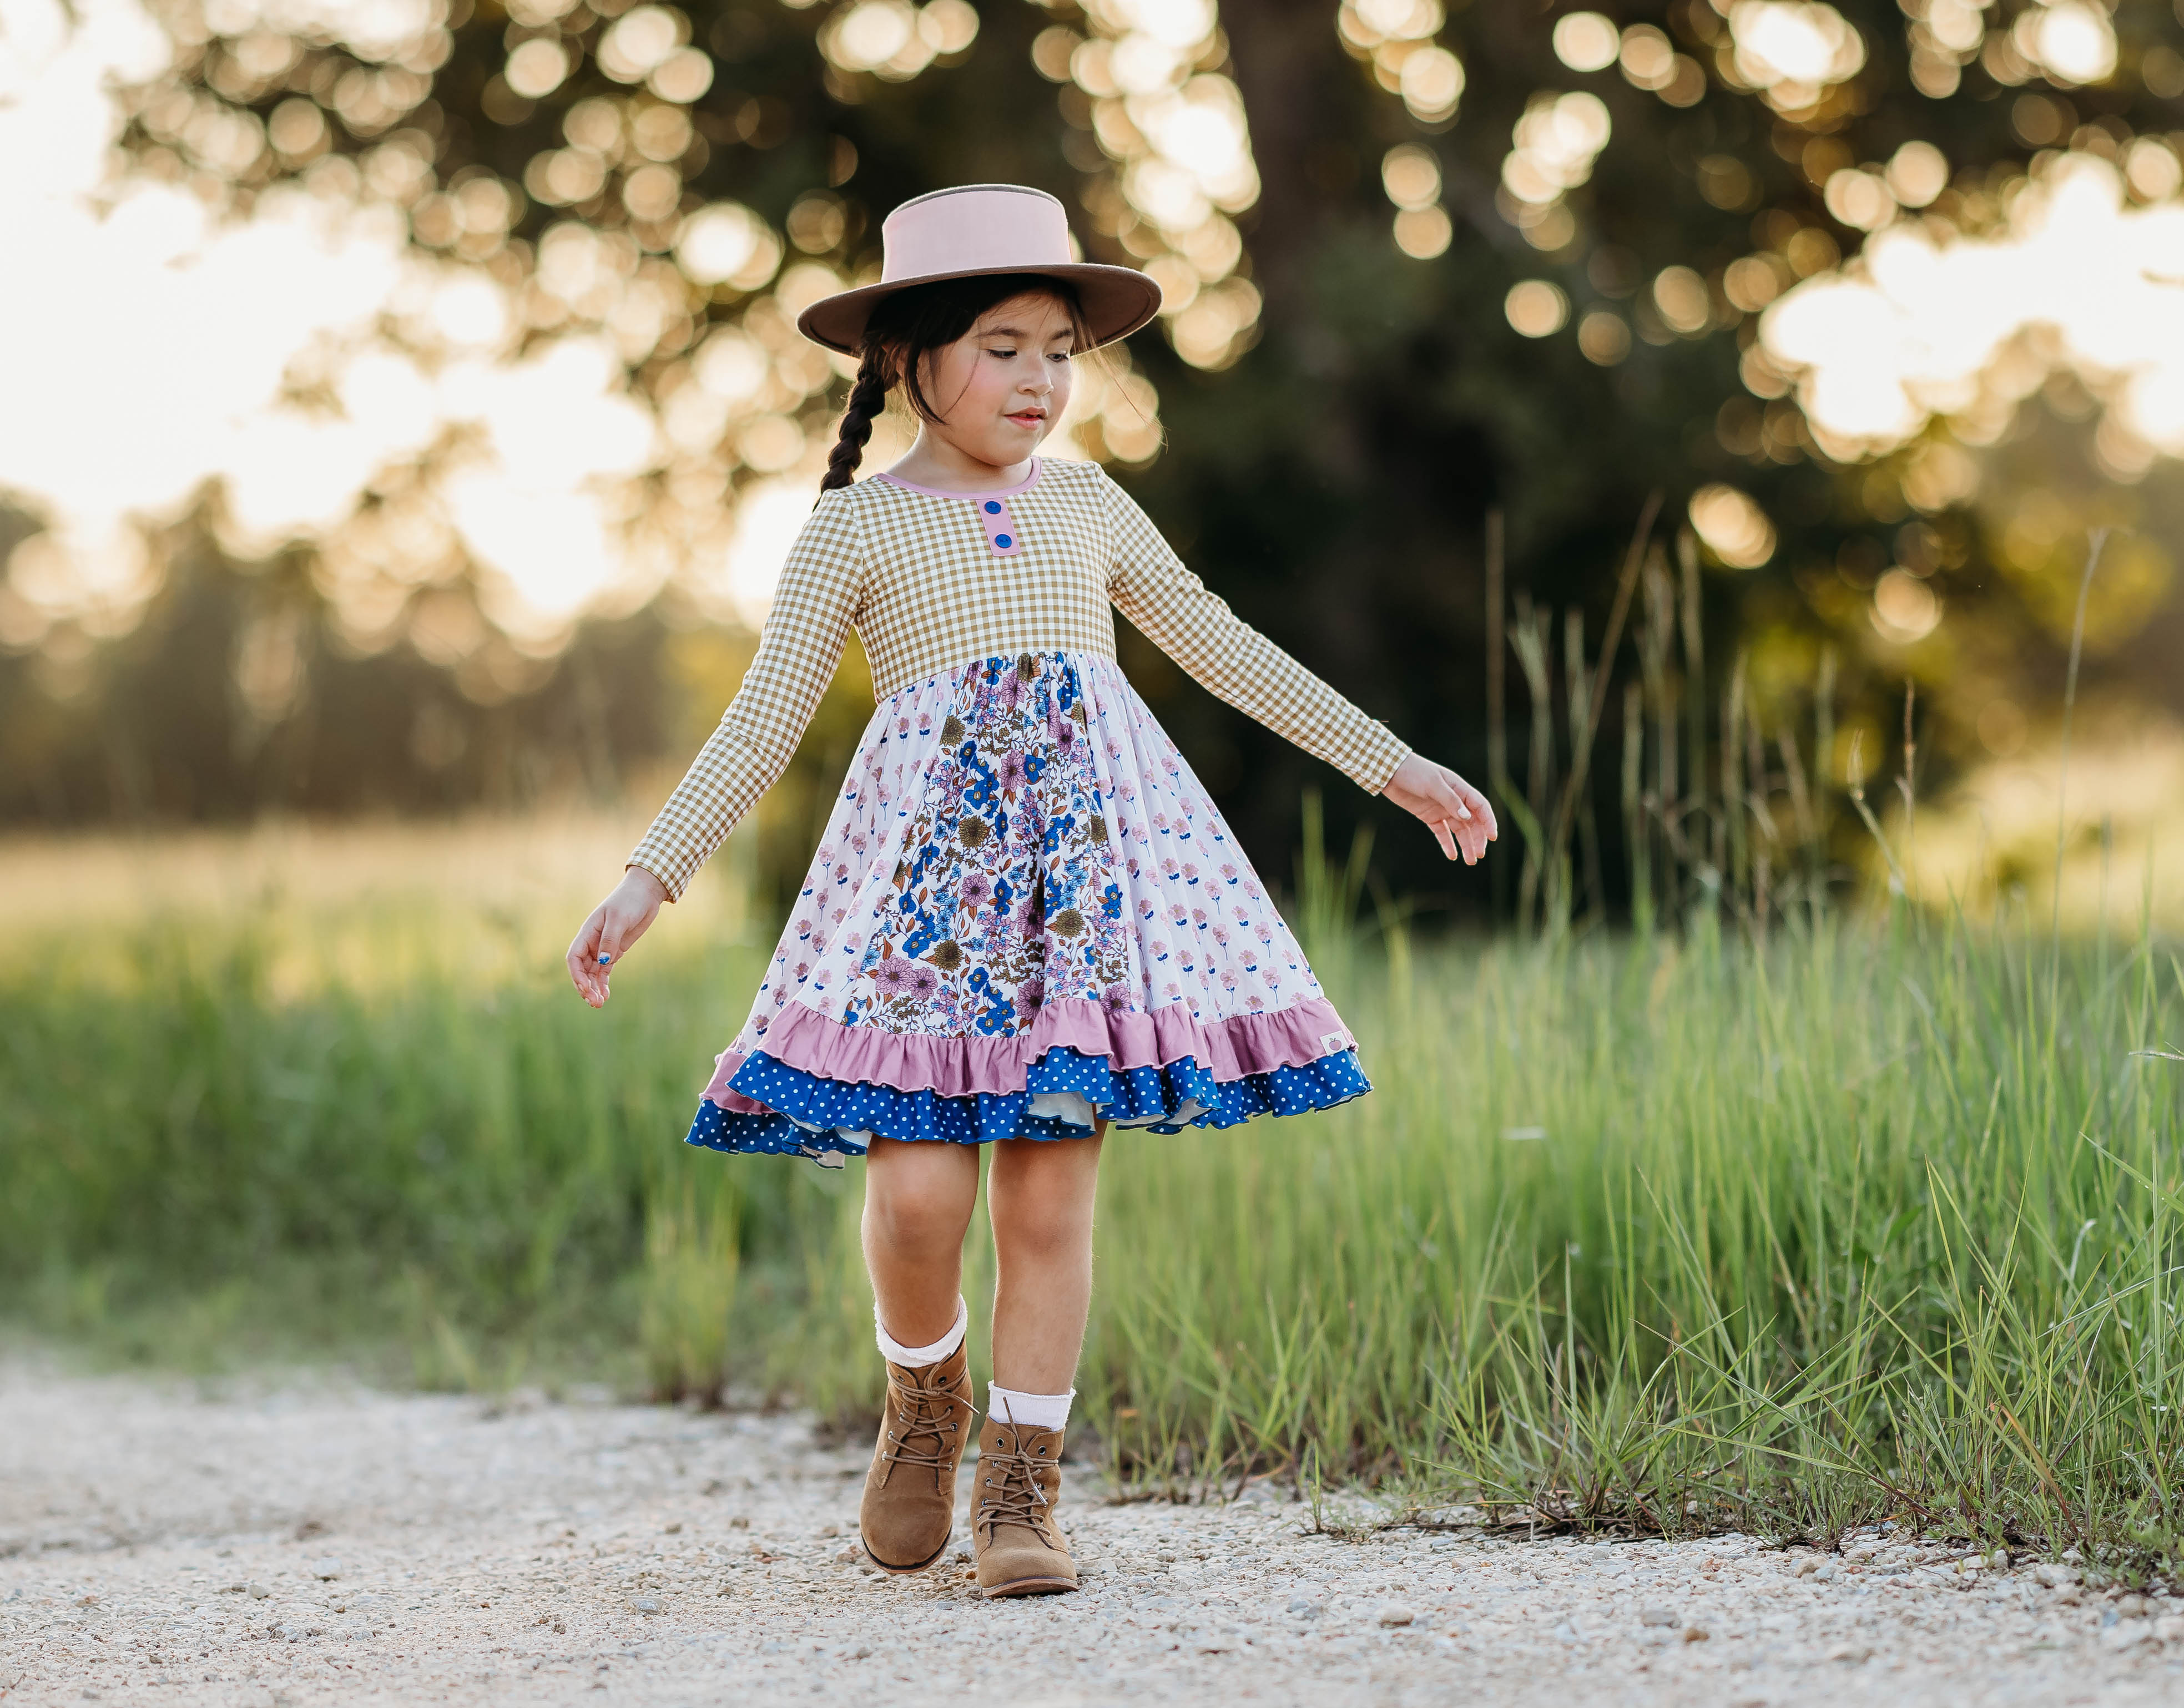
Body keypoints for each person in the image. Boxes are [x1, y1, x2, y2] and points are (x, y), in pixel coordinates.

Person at [566, 184, 1495, 1599]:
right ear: (907, 359)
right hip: (925, 926)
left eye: (1059, 350)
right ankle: (924, 1399)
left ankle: (1022, 1486)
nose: (1040, 380)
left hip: (1079, 924)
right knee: (923, 1197)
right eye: (1002, 346)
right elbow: (761, 722)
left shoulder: (1088, 504)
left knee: (1050, 1203)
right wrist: (649, 882)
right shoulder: (855, 534)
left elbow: (1223, 646)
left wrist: (1395, 766)